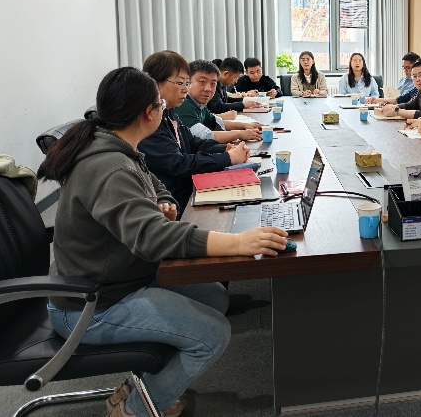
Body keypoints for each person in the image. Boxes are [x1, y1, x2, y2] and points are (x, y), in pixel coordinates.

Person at [38, 66, 288, 417]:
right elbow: (153, 238)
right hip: (92, 303)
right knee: (213, 334)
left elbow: (153, 181)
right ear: (148, 112)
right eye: (160, 102)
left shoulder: (117, 146)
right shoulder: (110, 167)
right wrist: (237, 243)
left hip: (119, 276)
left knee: (214, 296)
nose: (166, 107)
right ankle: (133, 409)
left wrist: (164, 200)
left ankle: (145, 382)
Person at [138, 50, 250, 215]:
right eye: (180, 83)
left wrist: (224, 149)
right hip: (171, 205)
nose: (185, 89)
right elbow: (177, 163)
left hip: (185, 194)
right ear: (154, 83)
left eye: (187, 83)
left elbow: (193, 142)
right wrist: (227, 158)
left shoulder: (169, 112)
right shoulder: (148, 121)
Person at [175, 60, 262, 142]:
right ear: (187, 82)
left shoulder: (199, 104)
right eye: (202, 82)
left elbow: (216, 122)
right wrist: (240, 134)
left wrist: (245, 126)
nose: (208, 89)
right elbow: (204, 135)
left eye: (213, 84)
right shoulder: (183, 104)